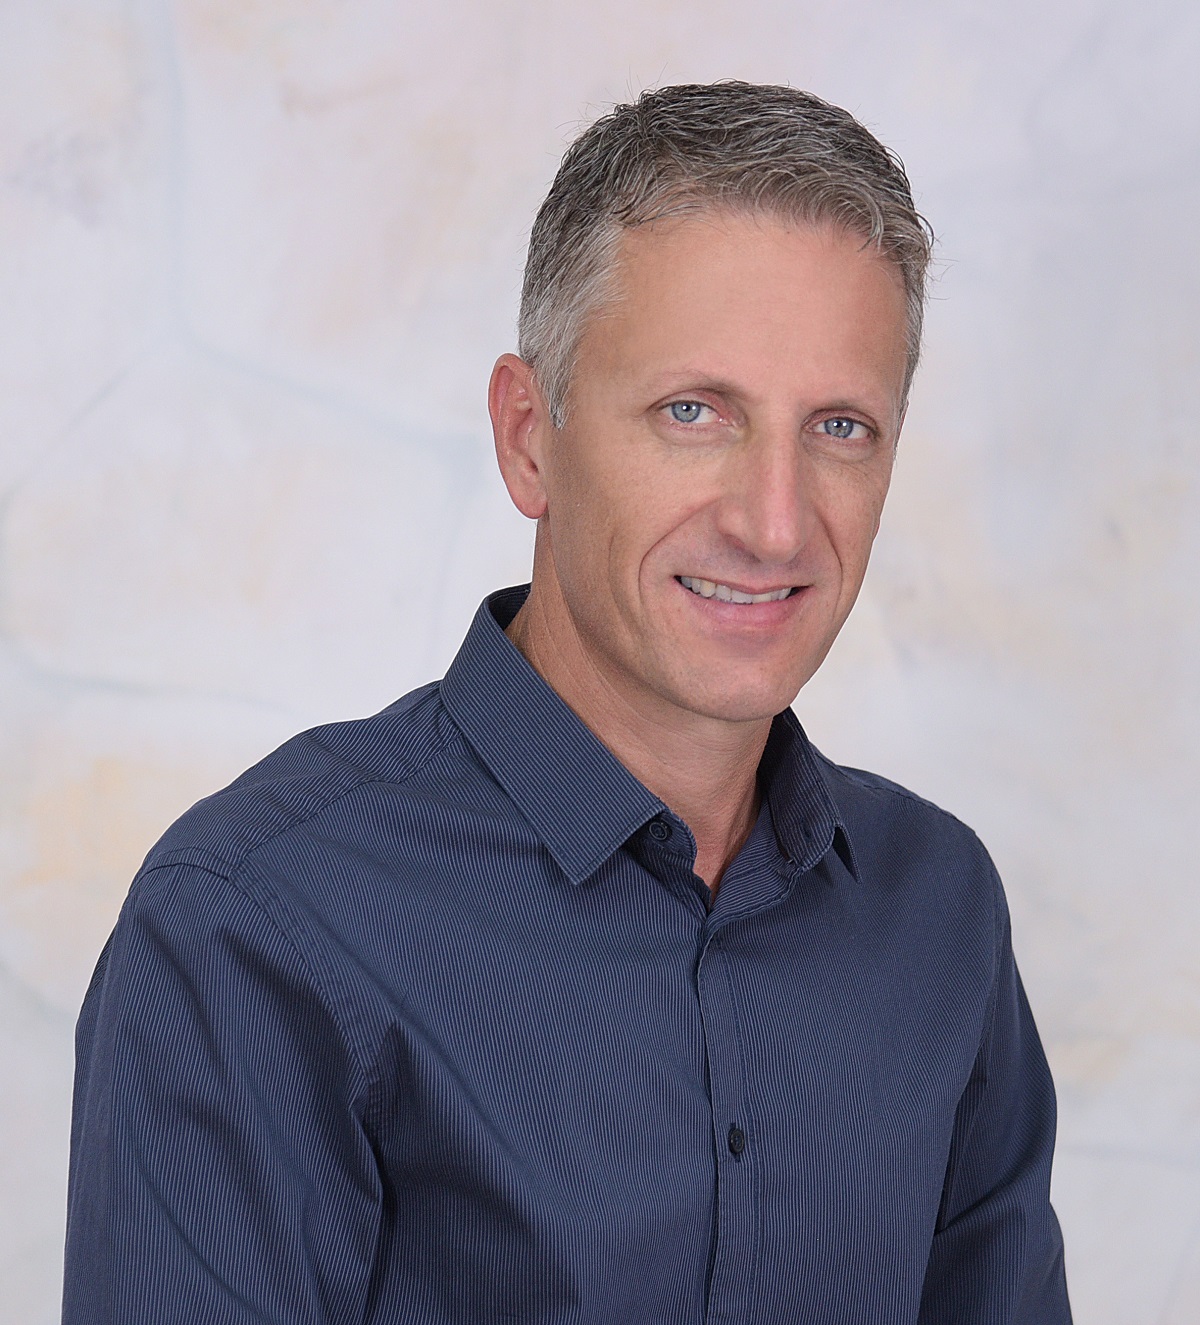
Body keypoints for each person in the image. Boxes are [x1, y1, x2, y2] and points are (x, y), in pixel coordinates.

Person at [63, 82, 1071, 1323]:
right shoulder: (255, 922)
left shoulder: (939, 911)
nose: (773, 521)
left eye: (840, 426)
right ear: (529, 435)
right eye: (693, 412)